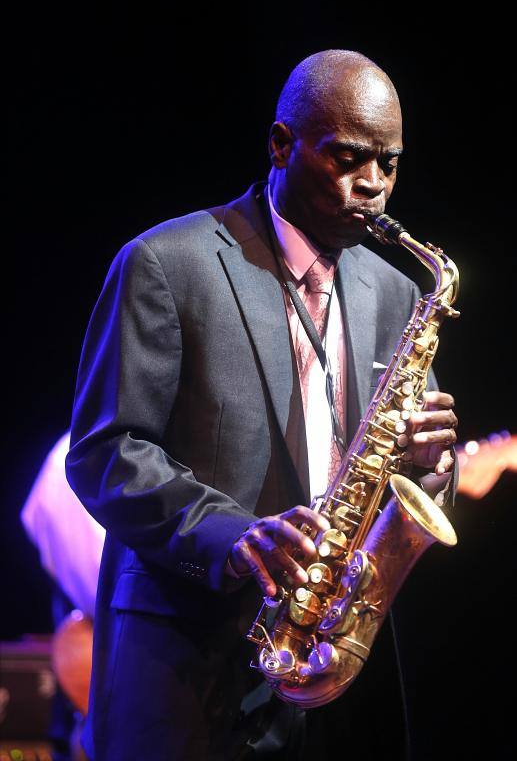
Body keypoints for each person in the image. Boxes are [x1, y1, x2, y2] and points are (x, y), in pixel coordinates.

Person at [65, 49, 459, 760]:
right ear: (281, 145)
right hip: (190, 670)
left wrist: (428, 465)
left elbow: (404, 484)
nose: (370, 186)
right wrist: (233, 536)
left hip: (334, 670)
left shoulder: (397, 291)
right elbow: (105, 452)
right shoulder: (166, 264)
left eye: (388, 164)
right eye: (345, 158)